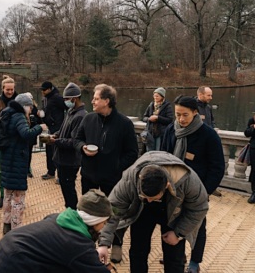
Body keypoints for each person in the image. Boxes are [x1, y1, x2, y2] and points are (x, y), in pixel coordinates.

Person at [97, 151, 209, 273]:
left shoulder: (187, 180)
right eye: (145, 196)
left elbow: (200, 208)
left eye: (153, 197)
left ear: (166, 185)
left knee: (174, 257)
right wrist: (104, 244)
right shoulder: (130, 179)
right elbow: (113, 210)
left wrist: (178, 233)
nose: (149, 201)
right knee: (138, 251)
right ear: (140, 179)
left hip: (173, 211)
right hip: (142, 210)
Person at [73, 83, 138, 263]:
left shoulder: (124, 124)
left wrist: (116, 166)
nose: (92, 101)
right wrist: (82, 148)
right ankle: (86, 245)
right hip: (89, 174)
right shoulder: (88, 119)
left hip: (112, 178)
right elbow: (76, 140)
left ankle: (115, 244)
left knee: (114, 212)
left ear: (107, 101)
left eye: (96, 98)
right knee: (86, 210)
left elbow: (132, 153)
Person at [161, 95, 225, 273]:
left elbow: (217, 168)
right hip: (172, 190)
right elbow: (163, 157)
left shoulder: (208, 135)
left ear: (195, 113)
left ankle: (195, 261)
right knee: (172, 223)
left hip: (197, 192)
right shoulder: (170, 130)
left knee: (198, 226)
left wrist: (204, 192)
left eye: (185, 115)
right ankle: (176, 256)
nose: (181, 119)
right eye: (177, 114)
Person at [0, 189, 115, 273]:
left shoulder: (58, 217)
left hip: (2, 250)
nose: (103, 227)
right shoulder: (79, 245)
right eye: (103, 223)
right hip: (13, 265)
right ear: (95, 221)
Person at [0, 93, 46, 234]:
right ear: (24, 106)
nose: (31, 110)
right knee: (18, 198)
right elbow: (26, 134)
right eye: (30, 107)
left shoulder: (7, 114)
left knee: (7, 196)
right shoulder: (19, 116)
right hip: (17, 161)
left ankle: (6, 226)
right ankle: (16, 230)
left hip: (8, 160)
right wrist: (39, 128)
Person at [48, 82, 87, 209]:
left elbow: (74, 141)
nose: (64, 101)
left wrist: (56, 142)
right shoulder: (70, 111)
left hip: (70, 161)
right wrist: (56, 134)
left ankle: (72, 212)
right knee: (65, 187)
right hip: (61, 158)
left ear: (74, 99)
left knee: (69, 188)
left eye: (66, 99)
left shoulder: (81, 116)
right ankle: (69, 210)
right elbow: (64, 129)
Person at [0, 75, 18, 209]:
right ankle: (2, 196)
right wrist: (1, 124)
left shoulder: (19, 101)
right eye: (7, 90)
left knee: (15, 170)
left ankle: (16, 196)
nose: (10, 92)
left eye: (12, 90)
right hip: (2, 142)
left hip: (16, 141)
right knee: (3, 171)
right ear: (3, 89)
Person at [39, 81, 67, 181]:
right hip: (49, 128)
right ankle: (51, 172)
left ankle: (61, 175)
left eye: (44, 90)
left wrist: (64, 123)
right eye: (42, 90)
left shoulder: (57, 97)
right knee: (49, 151)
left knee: (57, 152)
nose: (43, 91)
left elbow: (67, 107)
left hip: (58, 128)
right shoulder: (45, 98)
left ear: (50, 89)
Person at [141, 87, 173, 151]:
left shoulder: (167, 106)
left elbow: (170, 120)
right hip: (150, 132)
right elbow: (144, 117)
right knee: (149, 151)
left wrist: (158, 118)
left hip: (161, 133)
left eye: (157, 96)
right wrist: (149, 119)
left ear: (162, 97)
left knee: (158, 151)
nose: (155, 97)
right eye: (154, 96)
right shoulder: (151, 105)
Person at [23, 92, 42, 178]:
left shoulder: (35, 109)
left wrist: (39, 116)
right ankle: (24, 169)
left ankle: (27, 169)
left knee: (29, 153)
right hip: (25, 134)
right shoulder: (21, 110)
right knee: (23, 152)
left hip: (31, 134)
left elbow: (39, 121)